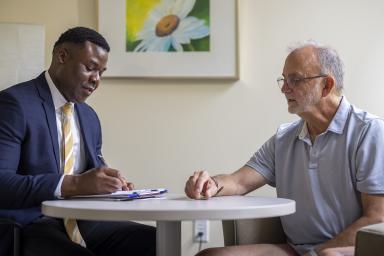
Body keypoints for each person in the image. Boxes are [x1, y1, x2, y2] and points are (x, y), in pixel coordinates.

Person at [185, 41, 384, 256]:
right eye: (284, 79)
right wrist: (211, 184)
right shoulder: (284, 138)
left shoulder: (369, 131)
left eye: (295, 80)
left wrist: (317, 253)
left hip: (348, 250)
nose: (284, 88)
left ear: (326, 86)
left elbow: (377, 217)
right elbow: (239, 181)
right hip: (296, 250)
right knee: (211, 255)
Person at [0, 27, 155, 256]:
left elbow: (92, 175)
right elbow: (2, 182)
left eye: (101, 72)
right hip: (30, 223)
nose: (96, 80)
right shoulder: (14, 104)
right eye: (90, 68)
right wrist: (74, 184)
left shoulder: (89, 117)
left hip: (82, 220)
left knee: (152, 241)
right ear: (62, 56)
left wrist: (112, 185)